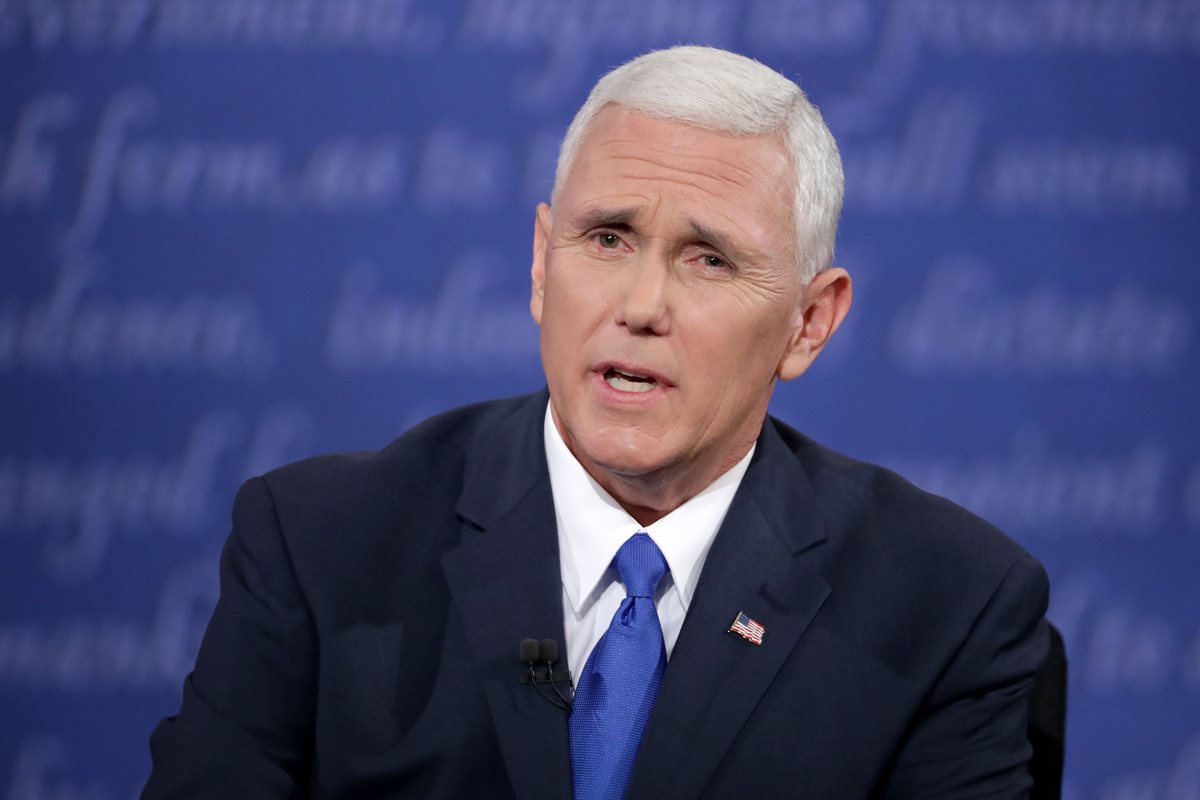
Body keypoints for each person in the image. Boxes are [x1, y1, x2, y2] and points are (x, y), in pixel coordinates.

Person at [142, 46, 1049, 799]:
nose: (641, 305)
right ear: (542, 264)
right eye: (608, 238)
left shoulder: (948, 610)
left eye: (709, 259)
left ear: (809, 323)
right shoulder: (320, 546)